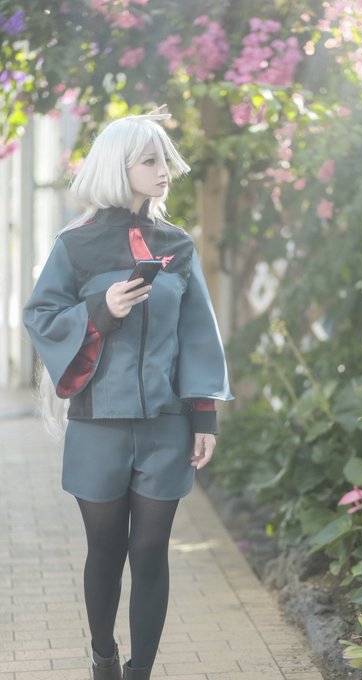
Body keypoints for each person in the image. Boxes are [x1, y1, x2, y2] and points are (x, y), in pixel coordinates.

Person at [23, 111, 233, 680]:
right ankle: (103, 656)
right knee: (106, 550)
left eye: (164, 159)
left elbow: (197, 331)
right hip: (98, 427)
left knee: (150, 550)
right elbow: (41, 317)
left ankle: (140, 672)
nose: (165, 170)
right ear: (120, 168)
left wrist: (204, 416)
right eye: (150, 161)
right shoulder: (76, 245)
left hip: (167, 426)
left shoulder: (177, 246)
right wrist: (100, 309)